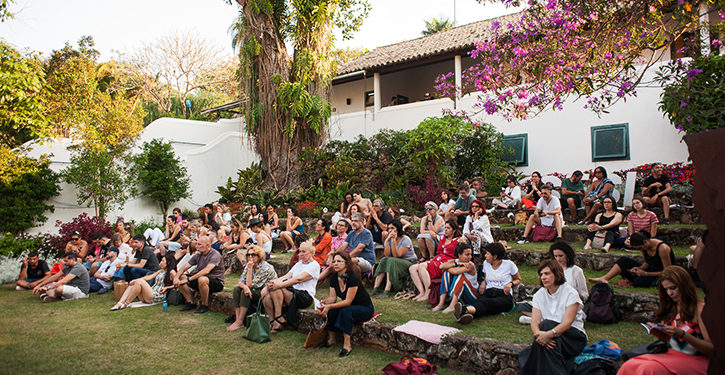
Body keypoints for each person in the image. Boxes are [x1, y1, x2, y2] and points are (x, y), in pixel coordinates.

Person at [618, 266, 712, 375]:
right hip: (671, 355)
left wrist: (683, 335)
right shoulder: (671, 308)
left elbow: (711, 349)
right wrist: (661, 334)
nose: (670, 293)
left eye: (673, 288)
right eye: (666, 289)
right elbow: (671, 341)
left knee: (648, 369)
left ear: (684, 286)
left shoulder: (701, 309)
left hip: (697, 360)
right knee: (629, 365)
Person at [518, 259, 587, 374]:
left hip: (573, 337)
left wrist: (548, 335)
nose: (543, 277)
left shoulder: (570, 293)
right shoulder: (539, 295)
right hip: (550, 336)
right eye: (541, 275)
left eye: (547, 273)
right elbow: (535, 322)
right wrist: (540, 336)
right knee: (545, 346)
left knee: (545, 327)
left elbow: (567, 323)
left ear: (557, 274)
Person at [318, 251, 374, 357]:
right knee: (332, 310)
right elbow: (332, 298)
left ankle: (347, 345)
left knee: (345, 311)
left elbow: (348, 301)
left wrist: (329, 306)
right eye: (334, 261)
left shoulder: (353, 278)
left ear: (346, 263)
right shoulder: (334, 278)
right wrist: (324, 302)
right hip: (350, 306)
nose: (335, 263)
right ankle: (331, 339)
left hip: (364, 308)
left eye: (339, 261)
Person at [455, 242, 521, 324]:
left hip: (504, 294)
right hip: (489, 292)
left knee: (488, 303)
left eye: (488, 254)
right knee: (481, 302)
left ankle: (465, 310)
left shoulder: (509, 264)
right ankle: (466, 315)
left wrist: (510, 284)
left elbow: (518, 279)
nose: (485, 255)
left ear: (495, 256)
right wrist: (484, 282)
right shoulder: (486, 264)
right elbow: (487, 277)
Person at [262, 239, 320, 332]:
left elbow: (298, 279)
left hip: (305, 296)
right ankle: (271, 320)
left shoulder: (314, 265)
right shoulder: (298, 264)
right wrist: (272, 282)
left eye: (303, 251)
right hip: (293, 291)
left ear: (311, 252)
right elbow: (287, 276)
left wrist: (278, 285)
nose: (300, 254)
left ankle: (278, 318)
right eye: (299, 251)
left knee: (276, 288)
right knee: (266, 290)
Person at [589, 230, 675, 288]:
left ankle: (630, 282)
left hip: (660, 273)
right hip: (649, 269)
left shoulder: (662, 248)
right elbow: (647, 263)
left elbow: (668, 271)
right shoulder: (643, 248)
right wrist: (639, 269)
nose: (640, 250)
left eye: (640, 248)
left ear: (645, 242)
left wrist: (646, 273)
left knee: (639, 281)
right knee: (624, 261)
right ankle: (605, 278)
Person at [226, 245, 277, 331]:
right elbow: (241, 282)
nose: (250, 257)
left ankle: (240, 321)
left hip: (266, 291)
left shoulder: (266, 268)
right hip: (255, 289)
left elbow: (250, 284)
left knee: (245, 292)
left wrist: (249, 270)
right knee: (237, 290)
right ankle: (238, 320)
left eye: (253, 255)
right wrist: (245, 286)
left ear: (259, 256)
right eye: (248, 255)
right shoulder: (250, 265)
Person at [409, 220, 461, 302]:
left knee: (422, 266)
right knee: (412, 268)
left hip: (445, 263)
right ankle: (421, 292)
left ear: (454, 230)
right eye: (445, 228)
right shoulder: (443, 238)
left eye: (448, 228)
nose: (446, 230)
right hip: (437, 260)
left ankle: (428, 292)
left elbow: (465, 250)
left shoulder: (458, 240)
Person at [175, 235, 226, 314]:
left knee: (202, 279)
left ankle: (204, 305)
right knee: (182, 276)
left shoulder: (215, 254)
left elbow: (206, 271)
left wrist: (189, 279)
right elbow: (184, 267)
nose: (196, 246)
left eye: (199, 244)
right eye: (196, 244)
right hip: (201, 280)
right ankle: (190, 302)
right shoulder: (198, 255)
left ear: (207, 245)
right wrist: (176, 277)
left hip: (216, 281)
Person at [111, 253, 177, 311]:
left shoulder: (172, 272)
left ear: (168, 262)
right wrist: (135, 280)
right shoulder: (161, 271)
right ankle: (119, 303)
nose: (161, 263)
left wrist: (167, 288)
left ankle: (126, 303)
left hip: (158, 295)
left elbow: (177, 285)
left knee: (139, 281)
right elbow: (148, 277)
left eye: (163, 261)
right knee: (135, 283)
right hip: (151, 293)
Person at [372, 220, 417, 297]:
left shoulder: (406, 239)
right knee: (384, 260)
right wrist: (387, 241)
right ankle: (375, 288)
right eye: (389, 228)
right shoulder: (388, 239)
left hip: (409, 262)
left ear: (398, 229)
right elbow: (387, 255)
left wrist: (393, 242)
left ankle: (387, 290)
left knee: (391, 260)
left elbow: (398, 255)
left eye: (392, 228)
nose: (390, 230)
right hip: (395, 261)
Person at [432, 242, 478, 314]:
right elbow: (441, 266)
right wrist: (456, 264)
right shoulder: (455, 261)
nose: (470, 257)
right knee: (446, 274)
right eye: (467, 255)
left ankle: (452, 306)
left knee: (461, 276)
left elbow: (455, 272)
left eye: (471, 254)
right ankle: (441, 303)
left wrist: (447, 268)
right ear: (459, 254)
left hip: (472, 295)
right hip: (459, 294)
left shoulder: (470, 265)